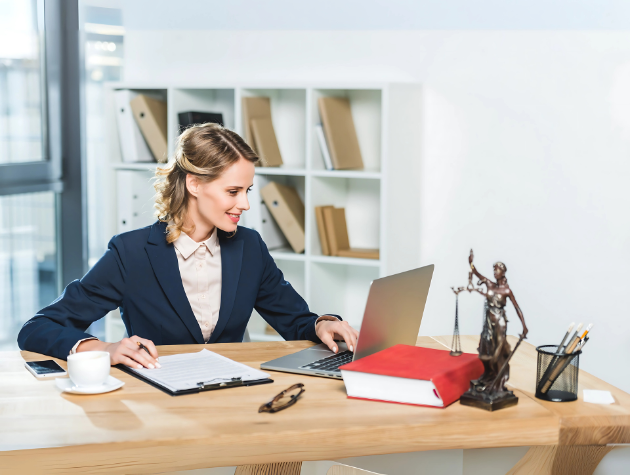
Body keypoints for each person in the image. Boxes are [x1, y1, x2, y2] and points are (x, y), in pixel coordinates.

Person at [18, 123, 358, 369]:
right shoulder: (131, 252)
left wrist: (321, 325)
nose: (245, 204)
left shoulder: (249, 247)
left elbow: (295, 319)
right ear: (194, 183)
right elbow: (38, 328)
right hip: (158, 401)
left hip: (232, 397)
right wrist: (102, 347)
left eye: (247, 191)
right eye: (232, 191)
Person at [468, 250, 527, 393]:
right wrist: (471, 263)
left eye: (497, 270)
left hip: (500, 323)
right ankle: (488, 376)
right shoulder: (489, 284)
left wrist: (524, 326)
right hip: (488, 322)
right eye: (493, 269)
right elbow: (476, 272)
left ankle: (497, 381)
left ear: (503, 272)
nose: (494, 272)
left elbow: (517, 308)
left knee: (496, 353)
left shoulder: (506, 290)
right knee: (483, 350)